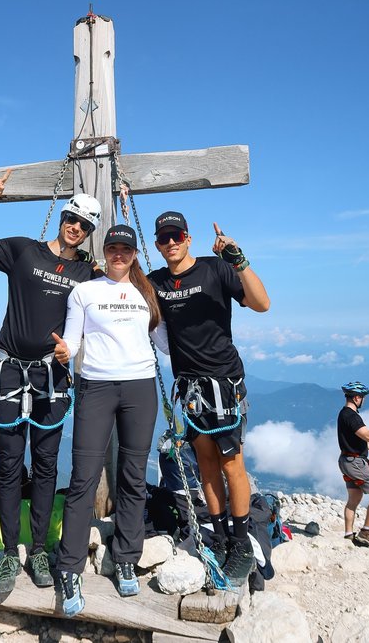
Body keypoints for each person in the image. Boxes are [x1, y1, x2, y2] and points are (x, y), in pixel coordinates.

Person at [0, 170, 101, 594]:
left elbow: (113, 306)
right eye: (72, 218)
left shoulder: (89, 272)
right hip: (10, 370)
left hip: (51, 375)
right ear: (62, 216)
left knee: (48, 465)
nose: (76, 227)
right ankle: (10, 553)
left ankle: (38, 549)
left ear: (90, 233)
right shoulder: (23, 250)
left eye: (85, 225)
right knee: (9, 464)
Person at [147, 212, 270, 588]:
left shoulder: (216, 269)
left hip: (224, 381)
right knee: (205, 463)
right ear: (157, 243)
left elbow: (262, 303)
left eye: (177, 235)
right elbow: (123, 284)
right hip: (190, 387)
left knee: (232, 463)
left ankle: (240, 543)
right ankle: (217, 535)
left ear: (189, 237)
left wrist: (238, 259)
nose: (171, 243)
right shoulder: (156, 282)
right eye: (164, 238)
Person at [52, 224, 165, 617]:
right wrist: (66, 352)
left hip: (140, 387)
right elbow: (73, 338)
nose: (119, 254)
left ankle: (126, 557)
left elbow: (165, 341)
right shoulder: (85, 291)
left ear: (134, 253)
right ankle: (69, 567)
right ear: (104, 251)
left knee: (133, 476)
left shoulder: (147, 292)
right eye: (113, 247)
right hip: (96, 385)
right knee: (84, 476)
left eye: (126, 249)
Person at [337, 381, 369, 548]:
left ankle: (348, 535)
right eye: (363, 397)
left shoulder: (343, 414)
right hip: (356, 463)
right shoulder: (352, 416)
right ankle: (366, 532)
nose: (364, 400)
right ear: (357, 398)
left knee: (354, 499)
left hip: (346, 460)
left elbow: (354, 440)